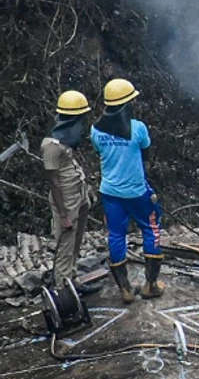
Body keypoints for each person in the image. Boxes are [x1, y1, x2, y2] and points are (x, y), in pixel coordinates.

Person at [91, 78, 165, 303]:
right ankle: (150, 285)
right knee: (151, 229)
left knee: (116, 235)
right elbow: (146, 154)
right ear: (126, 104)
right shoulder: (138, 128)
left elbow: (99, 152)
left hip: (110, 193)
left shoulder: (95, 130)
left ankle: (124, 289)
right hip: (137, 193)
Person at [41, 91, 102, 297]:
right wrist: (64, 214)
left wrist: (87, 191)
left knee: (76, 242)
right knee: (65, 245)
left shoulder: (65, 141)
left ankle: (72, 280)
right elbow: (54, 181)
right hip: (65, 201)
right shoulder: (50, 146)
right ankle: (63, 290)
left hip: (78, 195)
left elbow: (72, 167)